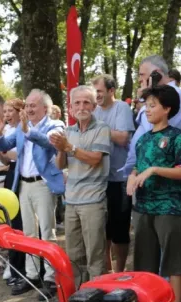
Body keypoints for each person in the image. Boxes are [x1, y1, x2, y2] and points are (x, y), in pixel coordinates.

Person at [125, 85, 181, 302]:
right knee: (144, 263)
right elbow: (137, 167)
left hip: (169, 207)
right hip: (143, 208)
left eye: (153, 105)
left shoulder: (177, 137)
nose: (147, 110)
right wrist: (132, 177)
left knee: (174, 262)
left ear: (167, 109)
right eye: (146, 105)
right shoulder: (143, 139)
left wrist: (154, 170)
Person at [0, 89, 66, 299]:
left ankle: (51, 279)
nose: (29, 109)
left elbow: (49, 142)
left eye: (34, 105)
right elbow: (5, 145)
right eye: (28, 105)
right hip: (23, 185)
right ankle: (33, 276)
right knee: (29, 234)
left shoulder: (54, 125)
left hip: (42, 185)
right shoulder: (24, 127)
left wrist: (27, 130)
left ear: (46, 108)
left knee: (47, 232)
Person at [50, 85, 111, 283]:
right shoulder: (67, 131)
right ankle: (79, 297)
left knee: (95, 254)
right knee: (74, 254)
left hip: (93, 201)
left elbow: (95, 159)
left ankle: (98, 296)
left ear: (94, 106)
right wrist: (61, 149)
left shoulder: (102, 128)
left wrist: (69, 147)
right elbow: (60, 165)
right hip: (72, 201)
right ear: (71, 107)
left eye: (86, 102)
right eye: (77, 102)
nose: (81, 106)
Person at [92, 74, 136, 273]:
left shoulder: (122, 108)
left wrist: (98, 129)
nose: (96, 96)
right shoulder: (93, 110)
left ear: (111, 91)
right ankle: (106, 271)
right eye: (95, 92)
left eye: (99, 91)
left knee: (120, 229)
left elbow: (123, 138)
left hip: (120, 178)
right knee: (102, 229)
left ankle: (120, 272)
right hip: (98, 178)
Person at [122, 55, 181, 175]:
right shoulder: (156, 97)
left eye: (142, 74)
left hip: (159, 171)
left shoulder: (175, 94)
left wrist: (144, 102)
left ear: (157, 73)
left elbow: (152, 129)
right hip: (141, 169)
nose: (139, 79)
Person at [0, 93, 26, 292]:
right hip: (11, 177)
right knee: (12, 223)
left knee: (22, 224)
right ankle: (15, 267)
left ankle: (26, 270)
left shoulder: (21, 127)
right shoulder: (2, 129)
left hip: (23, 178)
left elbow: (19, 155)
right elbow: (6, 160)